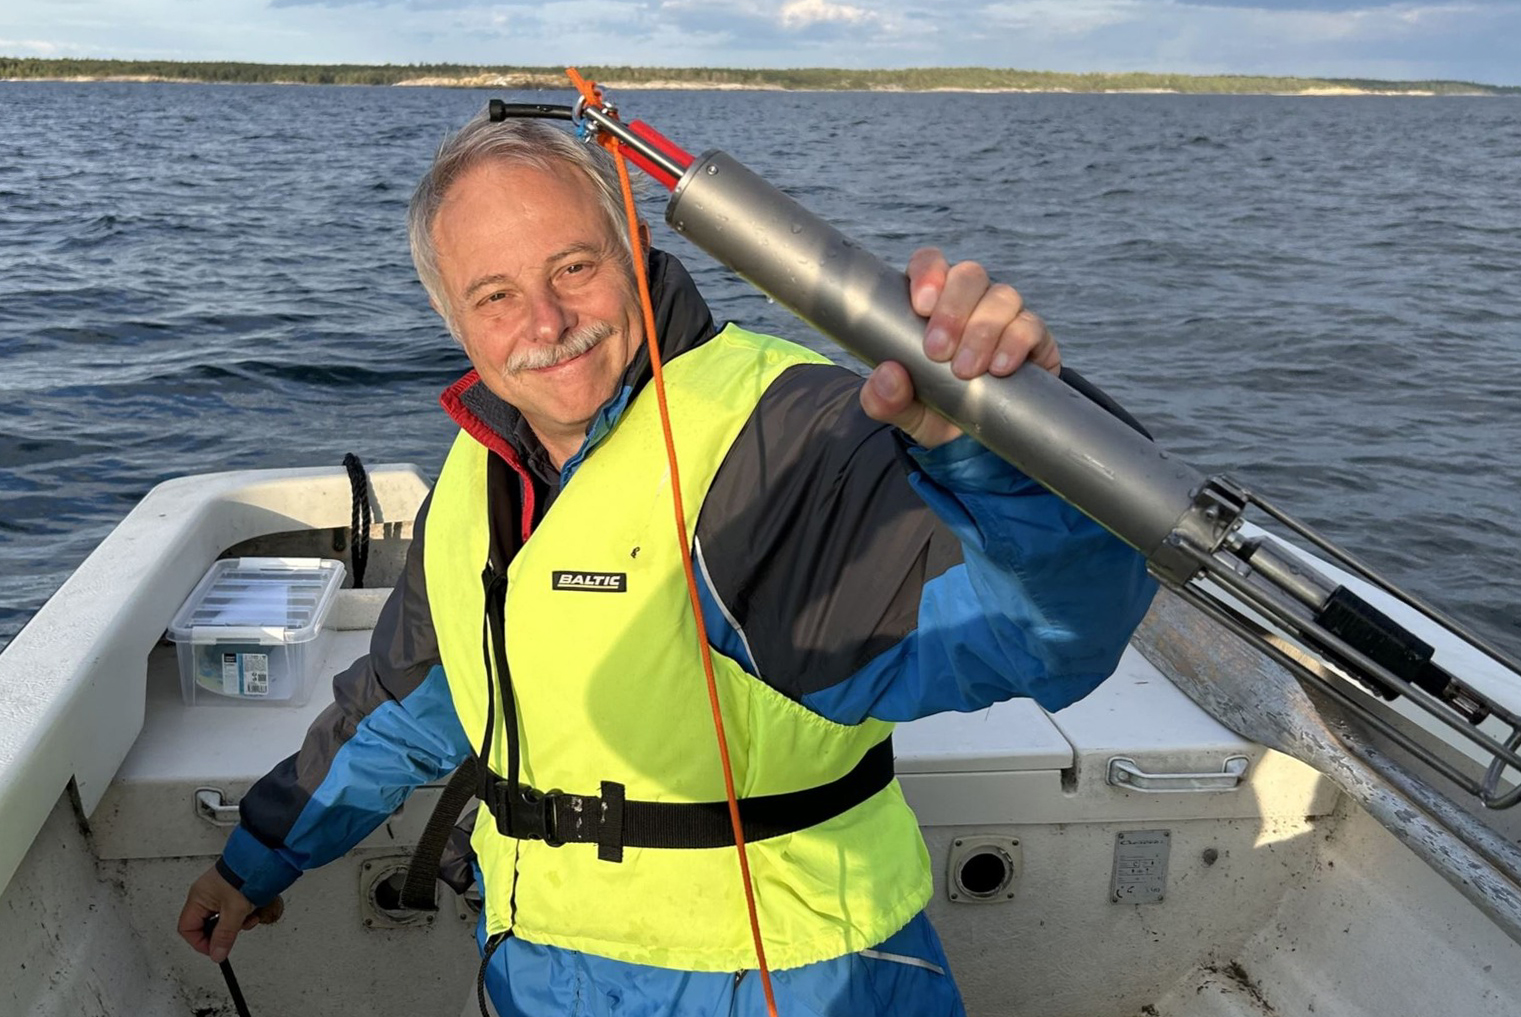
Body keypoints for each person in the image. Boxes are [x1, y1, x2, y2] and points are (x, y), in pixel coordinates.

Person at [177, 113, 1158, 1016]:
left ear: (636, 251)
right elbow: (402, 707)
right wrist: (255, 861)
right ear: (453, 318)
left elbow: (1039, 638)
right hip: (535, 975)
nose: (546, 325)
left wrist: (994, 455)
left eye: (572, 268)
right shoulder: (481, 472)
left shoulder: (792, 436)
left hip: (787, 981)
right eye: (495, 295)